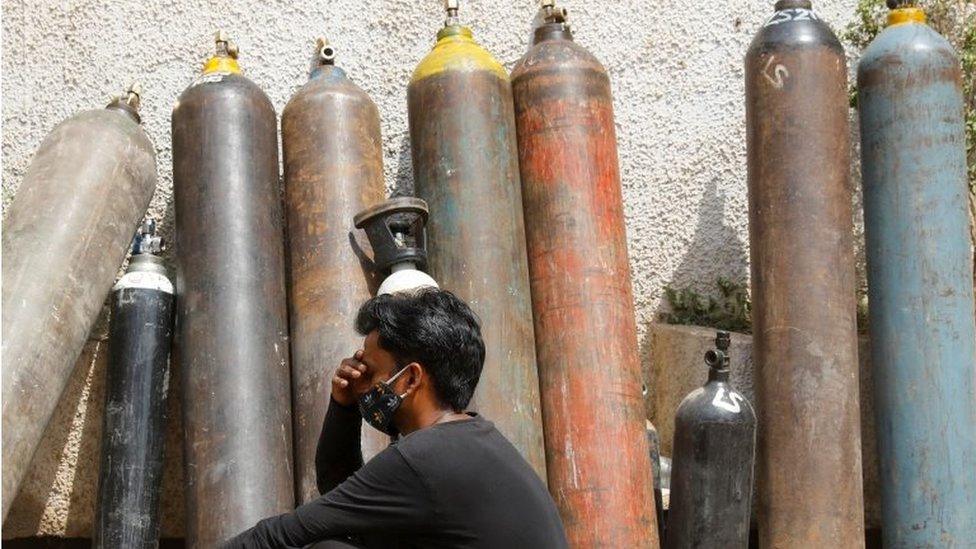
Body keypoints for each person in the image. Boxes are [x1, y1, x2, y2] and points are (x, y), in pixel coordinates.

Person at [225, 288, 568, 548]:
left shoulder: (425, 458)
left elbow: (282, 535)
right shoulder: (470, 441)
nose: (365, 384)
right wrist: (344, 406)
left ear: (410, 379)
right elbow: (343, 501)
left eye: (371, 373)